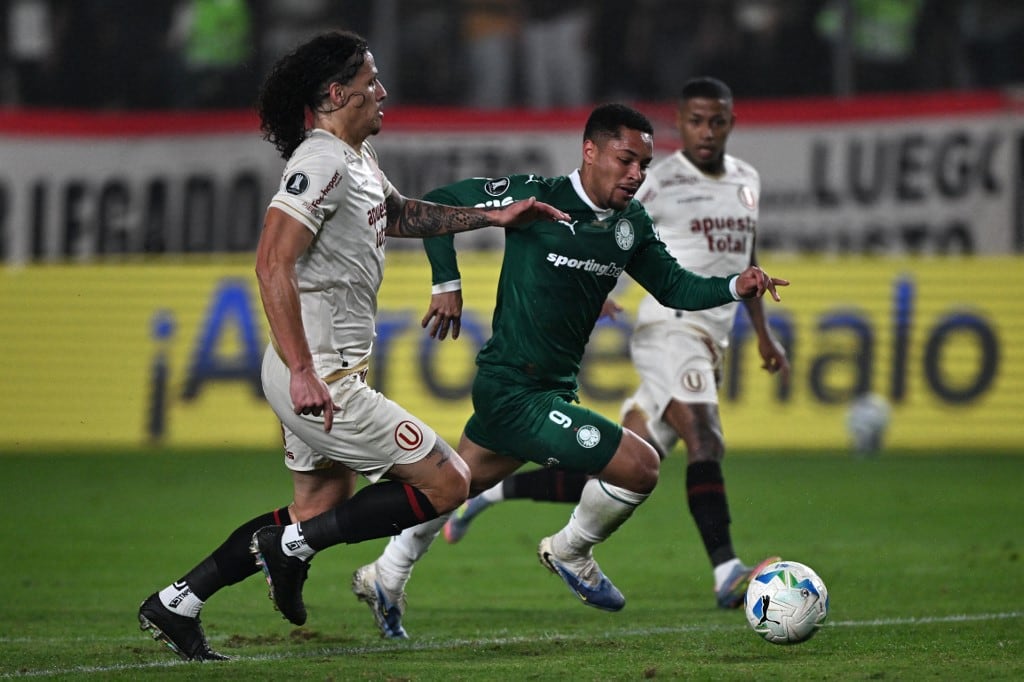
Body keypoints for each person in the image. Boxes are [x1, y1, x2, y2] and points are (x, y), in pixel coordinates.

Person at [136, 29, 569, 662]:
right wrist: (307, 372)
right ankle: (291, 551)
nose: (383, 93)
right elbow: (270, 264)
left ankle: (178, 601)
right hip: (319, 376)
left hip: (318, 368)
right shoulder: (319, 162)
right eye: (371, 83)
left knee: (319, 503)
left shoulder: (355, 159)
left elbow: (398, 215)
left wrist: (494, 217)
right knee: (449, 482)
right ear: (337, 93)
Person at [350, 102, 789, 639]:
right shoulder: (540, 196)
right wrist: (447, 283)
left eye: (644, 165)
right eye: (626, 160)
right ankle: (569, 550)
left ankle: (384, 575)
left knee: (452, 487)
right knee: (640, 465)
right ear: (590, 151)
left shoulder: (630, 225)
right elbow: (439, 205)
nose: (636, 175)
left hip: (550, 386)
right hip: (514, 389)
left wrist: (732, 286)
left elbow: (674, 286)